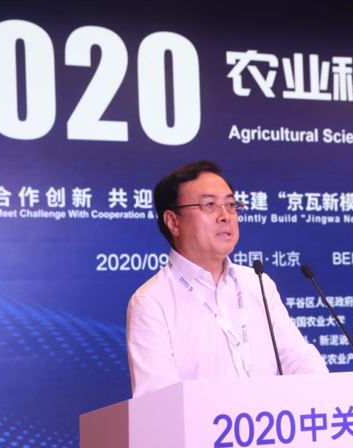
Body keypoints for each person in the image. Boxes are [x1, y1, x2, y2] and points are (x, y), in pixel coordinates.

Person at [127, 160, 328, 398]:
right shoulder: (151, 301)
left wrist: (327, 395)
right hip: (204, 423)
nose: (226, 216)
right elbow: (157, 399)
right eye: (209, 205)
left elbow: (297, 359)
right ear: (173, 221)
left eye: (231, 205)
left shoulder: (258, 283)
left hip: (274, 420)